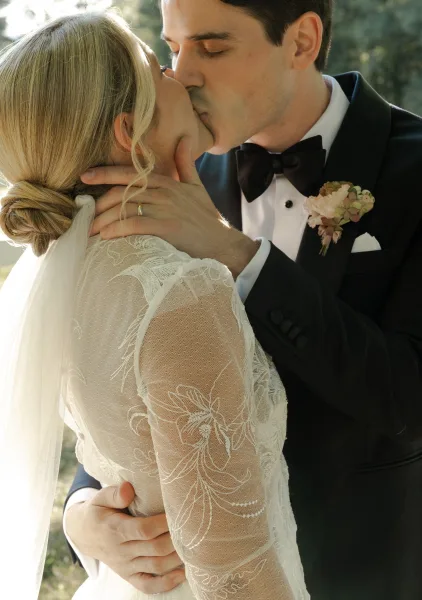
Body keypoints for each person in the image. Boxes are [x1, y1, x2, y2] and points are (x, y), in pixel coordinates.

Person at [63, 0, 422, 599]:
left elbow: (409, 395)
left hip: (365, 571)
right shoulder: (162, 164)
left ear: (303, 41)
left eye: (212, 47)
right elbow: (130, 363)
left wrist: (239, 257)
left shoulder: (414, 167)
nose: (183, 73)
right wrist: (83, 510)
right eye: (173, 48)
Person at [0, 10, 309, 600]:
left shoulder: (68, 275)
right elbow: (234, 573)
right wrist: (81, 514)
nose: (178, 75)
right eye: (156, 66)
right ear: (127, 131)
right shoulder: (180, 291)